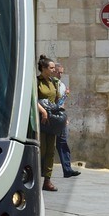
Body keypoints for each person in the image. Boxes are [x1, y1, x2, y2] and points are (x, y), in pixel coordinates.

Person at [35, 55, 63, 192]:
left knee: (51, 150)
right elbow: (32, 99)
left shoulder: (54, 82)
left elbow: (57, 99)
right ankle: (34, 178)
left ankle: (47, 180)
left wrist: (62, 115)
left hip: (52, 120)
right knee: (41, 149)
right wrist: (43, 112)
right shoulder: (37, 81)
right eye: (51, 67)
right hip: (40, 119)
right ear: (44, 68)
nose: (54, 69)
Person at [54, 61, 81, 178]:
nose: (60, 75)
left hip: (60, 116)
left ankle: (67, 169)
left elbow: (62, 104)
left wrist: (65, 117)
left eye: (61, 73)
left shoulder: (62, 86)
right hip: (48, 116)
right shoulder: (48, 84)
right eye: (58, 72)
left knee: (63, 142)